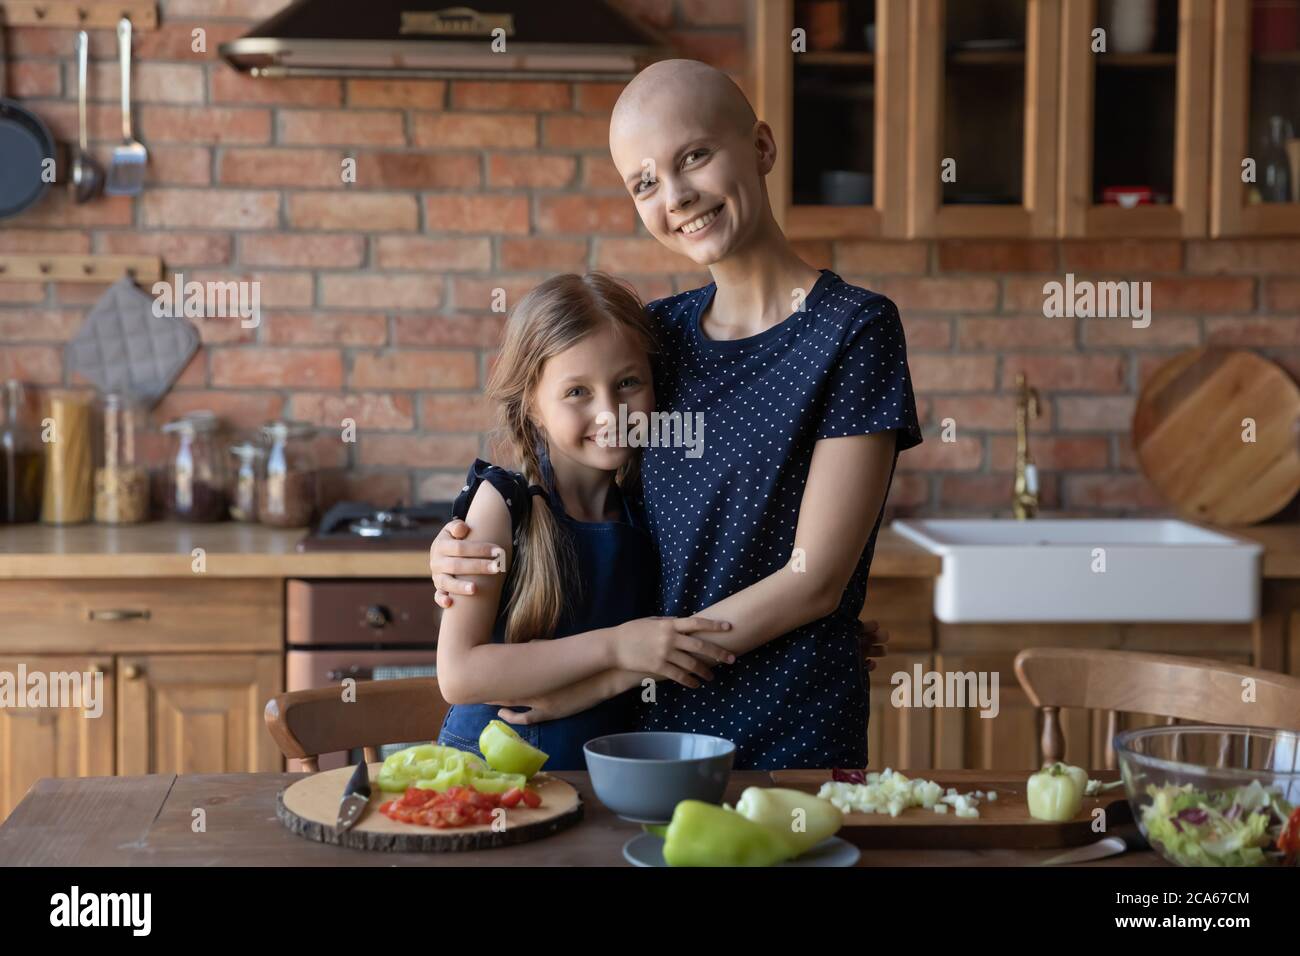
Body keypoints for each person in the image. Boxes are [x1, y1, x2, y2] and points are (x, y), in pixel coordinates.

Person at [431, 60, 923, 770]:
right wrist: (459, 545)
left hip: (789, 730)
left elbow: (813, 580)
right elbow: (574, 492)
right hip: (642, 738)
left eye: (694, 155)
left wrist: (610, 673)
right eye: (645, 181)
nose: (678, 195)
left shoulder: (852, 330)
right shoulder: (658, 336)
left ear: (760, 147)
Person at [433, 272, 734, 771]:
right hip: (491, 780)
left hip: (606, 776)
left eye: (628, 383)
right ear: (532, 402)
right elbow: (460, 674)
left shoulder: (650, 508)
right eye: (577, 392)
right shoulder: (503, 502)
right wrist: (617, 646)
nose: (609, 412)